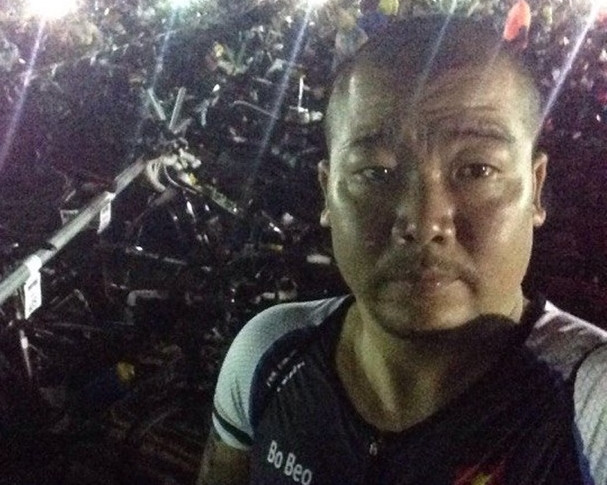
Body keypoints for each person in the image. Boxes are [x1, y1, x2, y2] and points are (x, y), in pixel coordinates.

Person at [197, 16, 607, 485]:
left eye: (476, 169)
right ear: (327, 191)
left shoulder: (588, 408)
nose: (424, 222)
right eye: (376, 173)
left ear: (536, 188)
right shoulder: (268, 356)